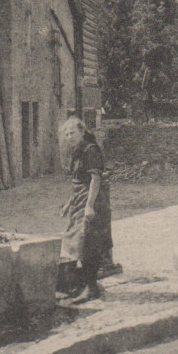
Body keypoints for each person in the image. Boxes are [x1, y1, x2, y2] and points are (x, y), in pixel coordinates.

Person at [59, 117, 114, 302]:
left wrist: (89, 206)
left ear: (82, 132)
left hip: (92, 201)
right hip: (78, 201)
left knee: (87, 244)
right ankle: (82, 285)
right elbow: (78, 182)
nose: (69, 136)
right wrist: (69, 204)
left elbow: (95, 180)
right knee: (74, 243)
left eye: (72, 133)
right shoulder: (77, 151)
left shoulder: (91, 150)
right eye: (66, 134)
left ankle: (91, 288)